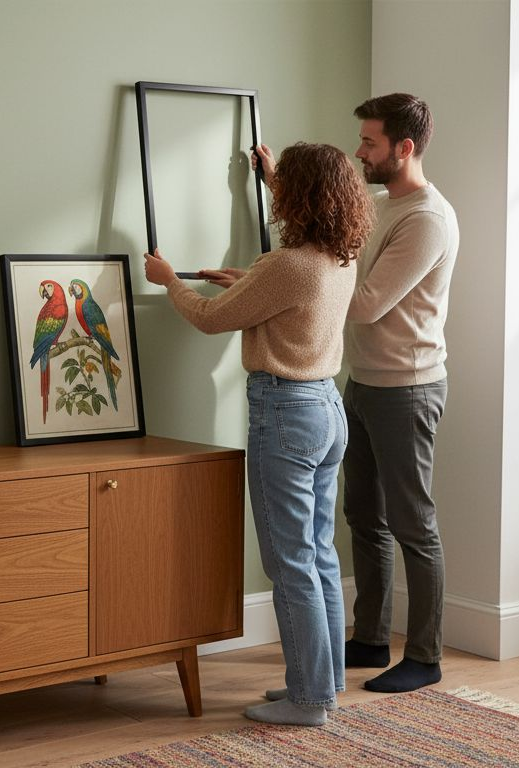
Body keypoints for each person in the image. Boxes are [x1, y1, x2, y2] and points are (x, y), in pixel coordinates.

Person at [144, 142, 374, 726]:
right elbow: (287, 296)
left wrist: (169, 279)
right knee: (317, 555)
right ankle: (322, 682)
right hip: (326, 409)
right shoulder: (339, 257)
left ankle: (309, 701)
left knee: (290, 561)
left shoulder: (286, 265)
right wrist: (248, 277)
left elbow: (208, 319)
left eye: (282, 188)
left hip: (284, 412)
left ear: (297, 197)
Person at [258, 93, 460, 694]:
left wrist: (287, 287)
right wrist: (280, 183)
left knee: (412, 522)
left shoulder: (426, 218)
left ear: (404, 148)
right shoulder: (379, 203)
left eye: (370, 142)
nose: (359, 151)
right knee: (361, 517)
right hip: (362, 380)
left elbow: (367, 302)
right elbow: (332, 236)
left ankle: (424, 656)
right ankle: (370, 638)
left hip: (409, 387)